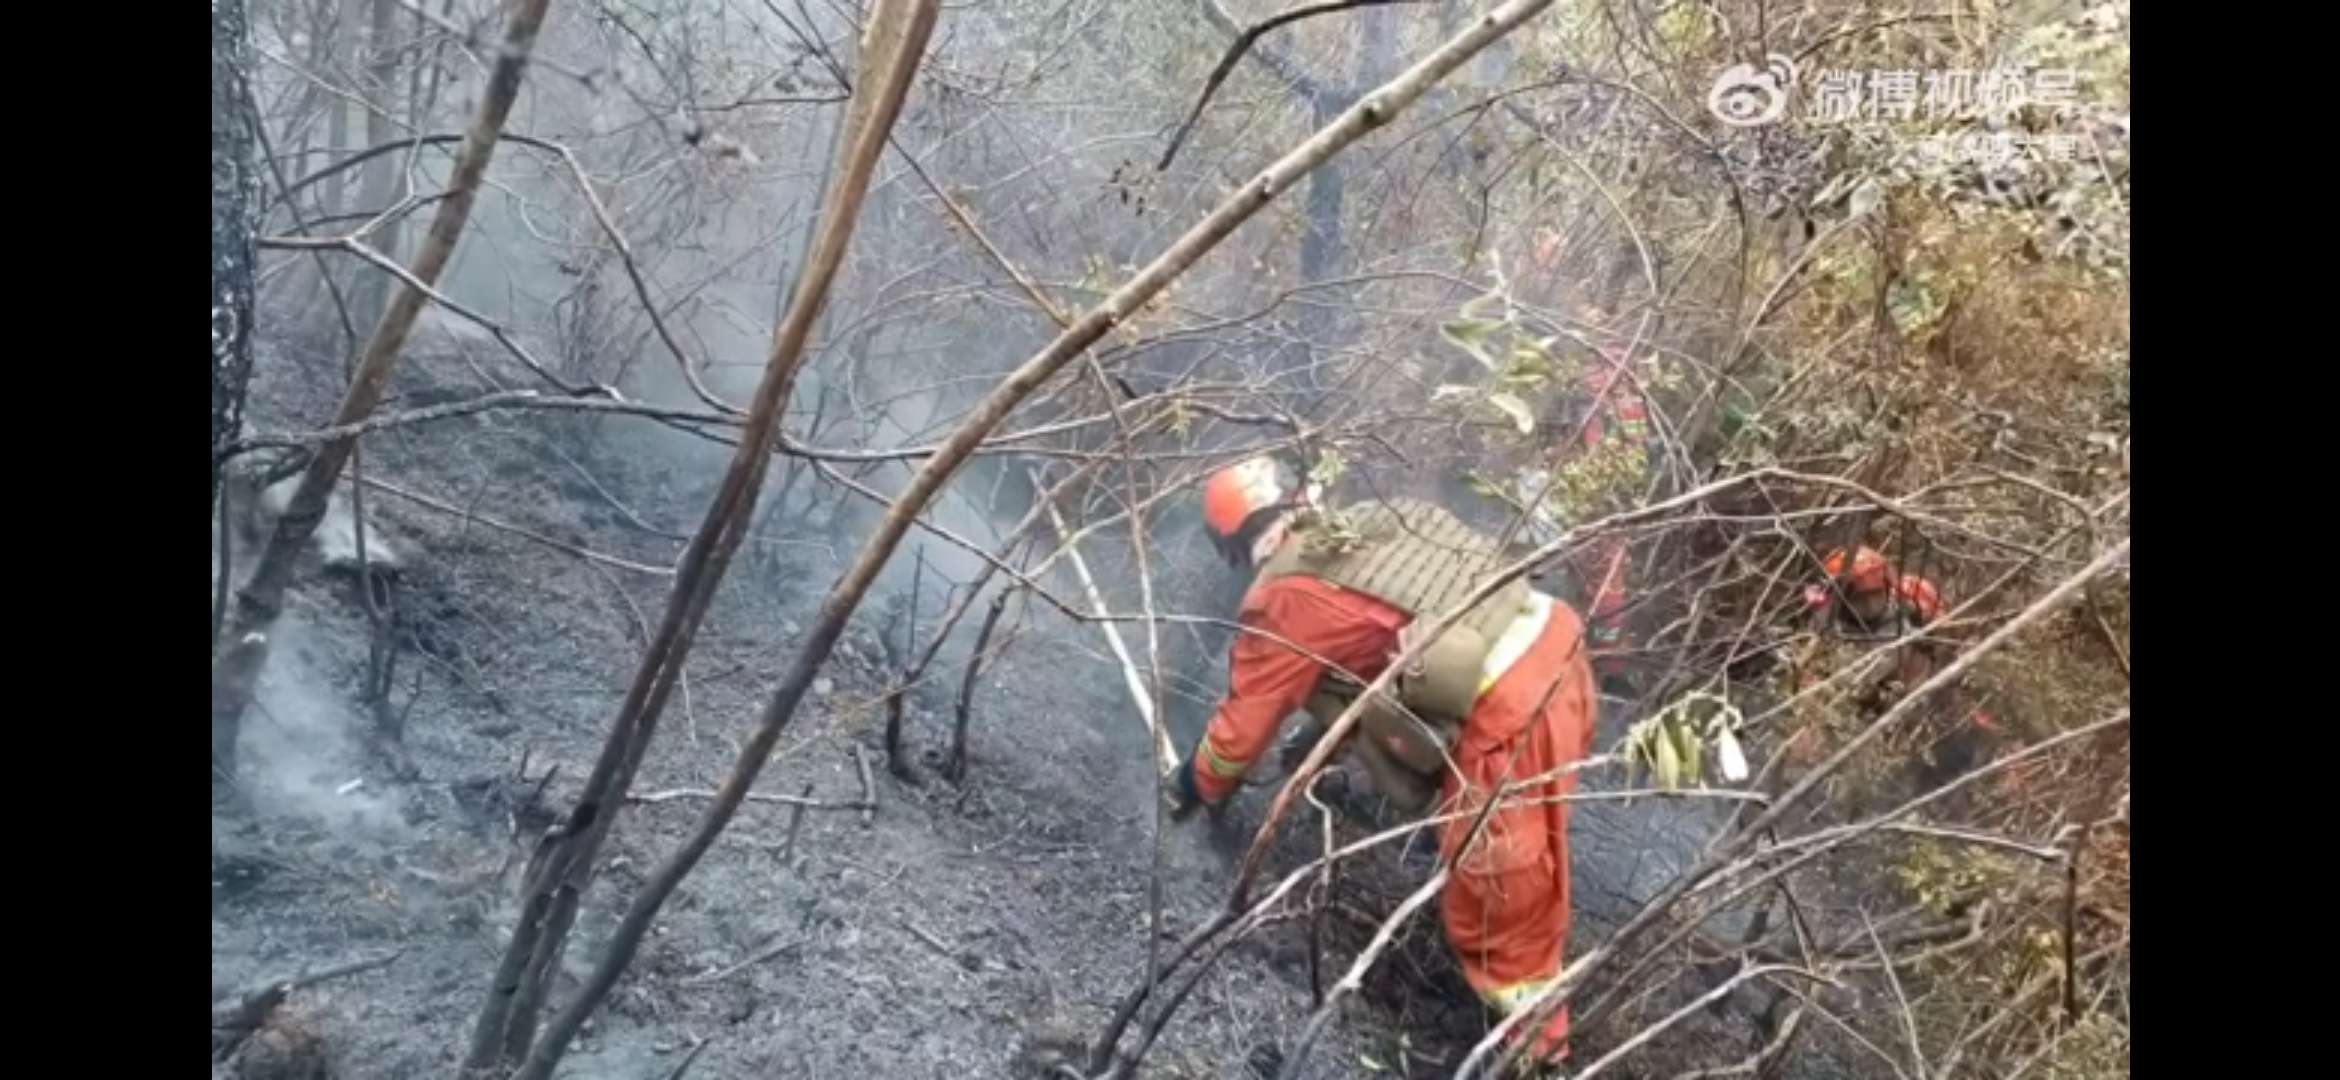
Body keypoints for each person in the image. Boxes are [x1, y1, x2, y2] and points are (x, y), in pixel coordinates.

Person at [1162, 456, 1596, 1064]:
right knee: (1535, 851)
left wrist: (1195, 783)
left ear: (1236, 544)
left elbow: (1240, 732)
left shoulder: (1284, 596)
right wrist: (1318, 741)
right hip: (1558, 647)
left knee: (1495, 887)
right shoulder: (1370, 524)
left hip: (1512, 705)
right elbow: (1368, 645)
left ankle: (1538, 1051)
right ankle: (1532, 1008)